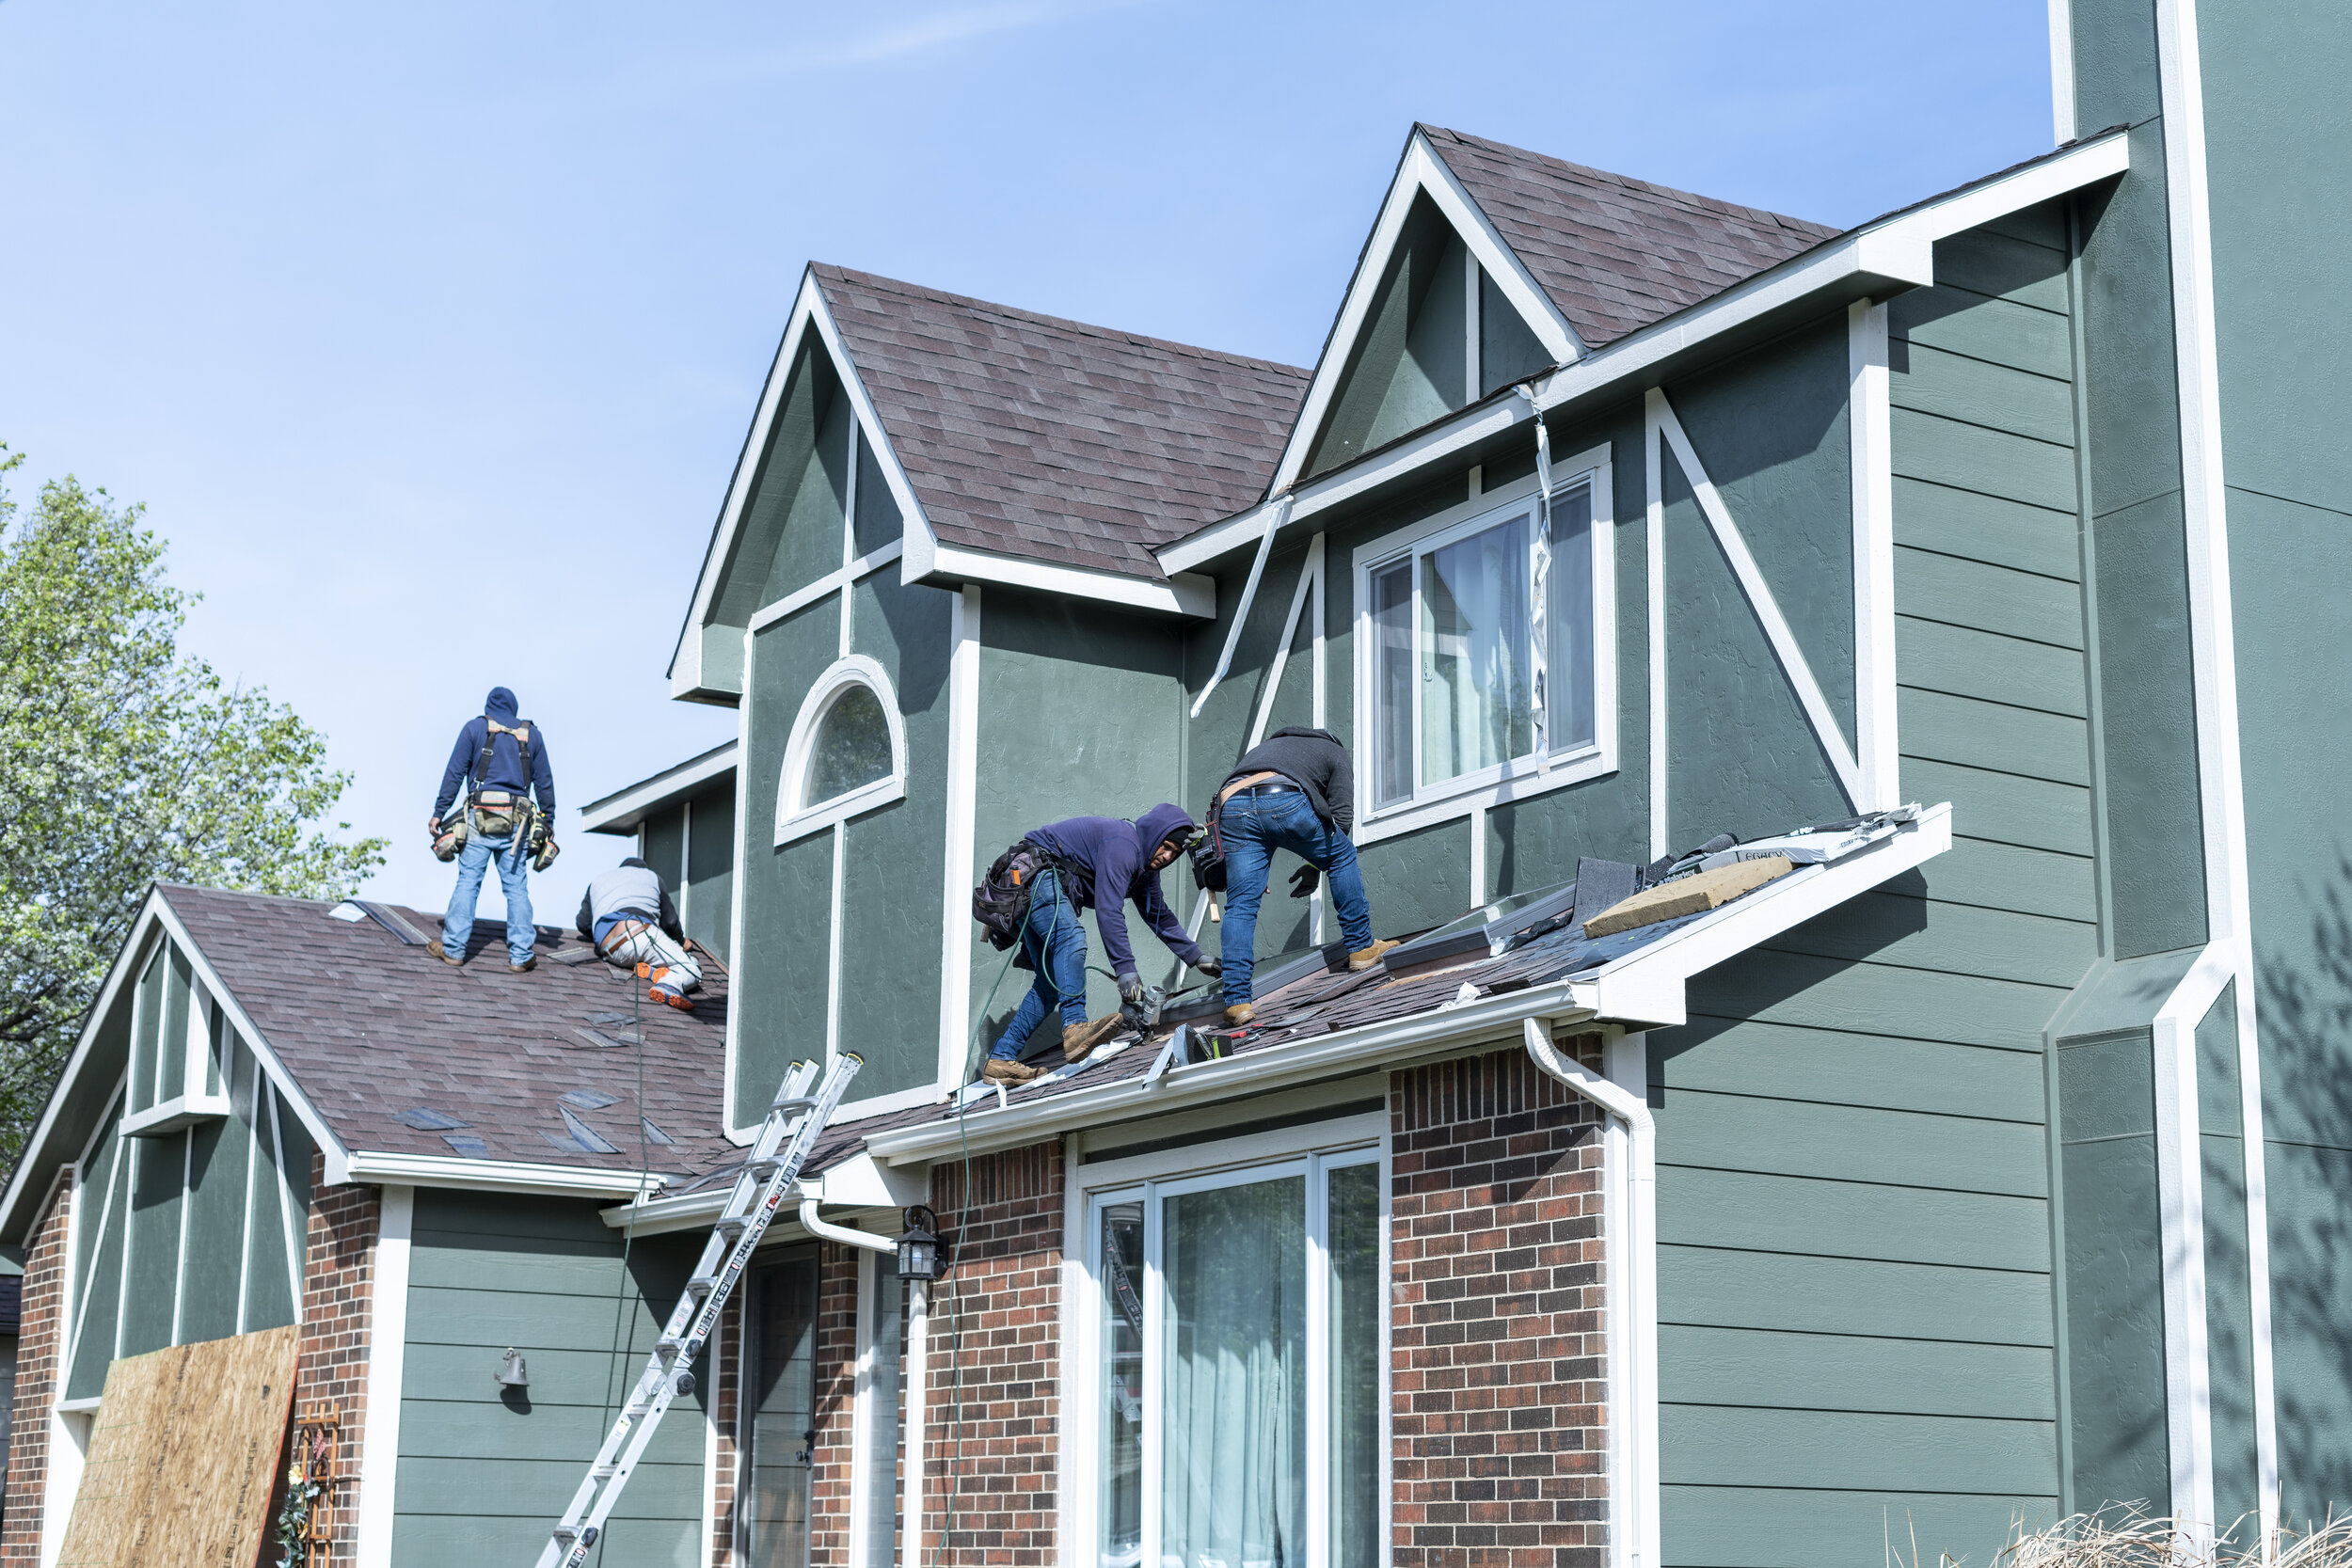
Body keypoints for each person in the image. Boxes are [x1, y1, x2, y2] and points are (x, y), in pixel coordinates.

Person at [983, 803, 1217, 1085]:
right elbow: (1109, 909)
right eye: (1165, 846)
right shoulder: (1124, 845)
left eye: (1174, 854)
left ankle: (1001, 1059)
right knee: (1071, 939)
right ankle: (1074, 1027)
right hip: (1035, 873)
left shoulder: (1144, 871)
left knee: (1050, 983)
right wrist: (1125, 971)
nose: (1167, 856)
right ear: (1155, 836)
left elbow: (1160, 917)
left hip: (1027, 882)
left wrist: (1196, 957)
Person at [1211, 726, 1397, 1027]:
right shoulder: (1334, 751)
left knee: (1241, 905)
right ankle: (1362, 947)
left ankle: (1237, 1001)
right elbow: (1342, 819)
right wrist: (1318, 863)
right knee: (1342, 855)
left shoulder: (1268, 750)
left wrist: (1312, 866)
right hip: (1282, 798)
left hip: (1232, 805)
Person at [426, 686, 557, 971]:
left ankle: (454, 949)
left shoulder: (475, 729)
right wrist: (548, 820)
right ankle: (521, 956)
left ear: (488, 709)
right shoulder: (531, 735)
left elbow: (454, 772)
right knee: (516, 888)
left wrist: (439, 812)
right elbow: (544, 781)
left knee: (468, 883)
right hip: (517, 825)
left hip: (479, 820)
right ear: (513, 709)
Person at [576, 857, 703, 1010]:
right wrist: (681, 942)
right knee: (691, 967)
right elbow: (670, 922)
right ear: (643, 869)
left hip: (610, 951)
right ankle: (669, 984)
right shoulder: (651, 876)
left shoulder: (597, 881)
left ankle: (655, 972)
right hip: (638, 934)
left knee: (647, 951)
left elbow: (583, 923)